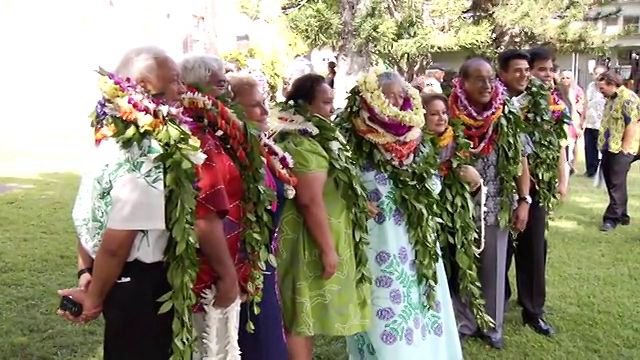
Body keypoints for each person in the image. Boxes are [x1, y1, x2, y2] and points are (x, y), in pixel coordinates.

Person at [59, 46, 205, 359]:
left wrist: (86, 274)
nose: (183, 89)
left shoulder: (111, 136)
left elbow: (87, 215)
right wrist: (94, 296)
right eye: (176, 80)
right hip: (138, 284)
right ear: (146, 89)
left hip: (115, 276)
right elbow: (116, 240)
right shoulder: (146, 153)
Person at [339, 70, 464, 359]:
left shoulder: (416, 137)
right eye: (388, 95)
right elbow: (339, 183)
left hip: (415, 236)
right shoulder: (353, 135)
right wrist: (355, 198)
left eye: (400, 95)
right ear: (372, 97)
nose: (395, 101)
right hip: (377, 239)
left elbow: (433, 182)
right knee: (384, 309)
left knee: (422, 300)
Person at [180, 55, 291, 359]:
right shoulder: (205, 138)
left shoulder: (240, 139)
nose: (266, 111)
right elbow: (206, 214)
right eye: (220, 83)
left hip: (256, 266)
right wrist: (228, 275)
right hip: (229, 271)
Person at [273, 73, 371, 360]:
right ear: (304, 105)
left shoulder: (313, 133)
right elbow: (309, 200)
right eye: (326, 102)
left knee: (307, 317)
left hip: (316, 233)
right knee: (299, 317)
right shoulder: (300, 140)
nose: (331, 108)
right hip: (306, 240)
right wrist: (328, 250)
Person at [449, 58, 532, 350]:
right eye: (478, 79)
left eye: (490, 79)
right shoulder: (449, 114)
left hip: (497, 201)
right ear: (463, 83)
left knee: (493, 266)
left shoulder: (506, 112)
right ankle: (464, 321)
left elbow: (521, 160)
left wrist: (524, 201)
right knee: (460, 265)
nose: (487, 85)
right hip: (456, 204)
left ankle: (492, 326)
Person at [498, 49, 568, 338]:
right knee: (500, 248)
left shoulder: (549, 103)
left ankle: (533, 310)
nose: (544, 75)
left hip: (536, 186)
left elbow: (557, 144)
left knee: (534, 249)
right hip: (499, 187)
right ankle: (497, 298)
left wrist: (562, 178)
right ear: (502, 72)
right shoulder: (493, 101)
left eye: (547, 70)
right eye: (541, 69)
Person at [229, 74, 293, 360]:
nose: (267, 112)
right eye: (256, 106)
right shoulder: (233, 157)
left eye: (265, 103)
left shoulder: (259, 147)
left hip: (265, 264)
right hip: (244, 271)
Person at [596, 70, 640, 232]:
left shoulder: (628, 98)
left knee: (616, 182)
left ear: (612, 84)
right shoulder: (610, 99)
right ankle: (623, 214)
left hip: (622, 148)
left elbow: (632, 124)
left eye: (602, 88)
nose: (600, 91)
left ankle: (611, 218)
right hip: (610, 147)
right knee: (612, 180)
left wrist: (625, 148)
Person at [582, 65, 608, 178]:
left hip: (602, 123)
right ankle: (591, 170)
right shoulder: (591, 86)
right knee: (589, 147)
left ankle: (603, 171)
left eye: (600, 74)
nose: (597, 76)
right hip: (590, 123)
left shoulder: (607, 88)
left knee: (603, 148)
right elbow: (586, 103)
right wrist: (582, 119)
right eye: (595, 73)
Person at [558, 70, 585, 173]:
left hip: (573, 119)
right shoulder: (558, 91)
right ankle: (566, 165)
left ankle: (572, 165)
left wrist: (578, 124)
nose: (565, 80)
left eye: (568, 78)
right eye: (563, 77)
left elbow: (578, 107)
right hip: (562, 120)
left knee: (573, 143)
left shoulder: (577, 91)